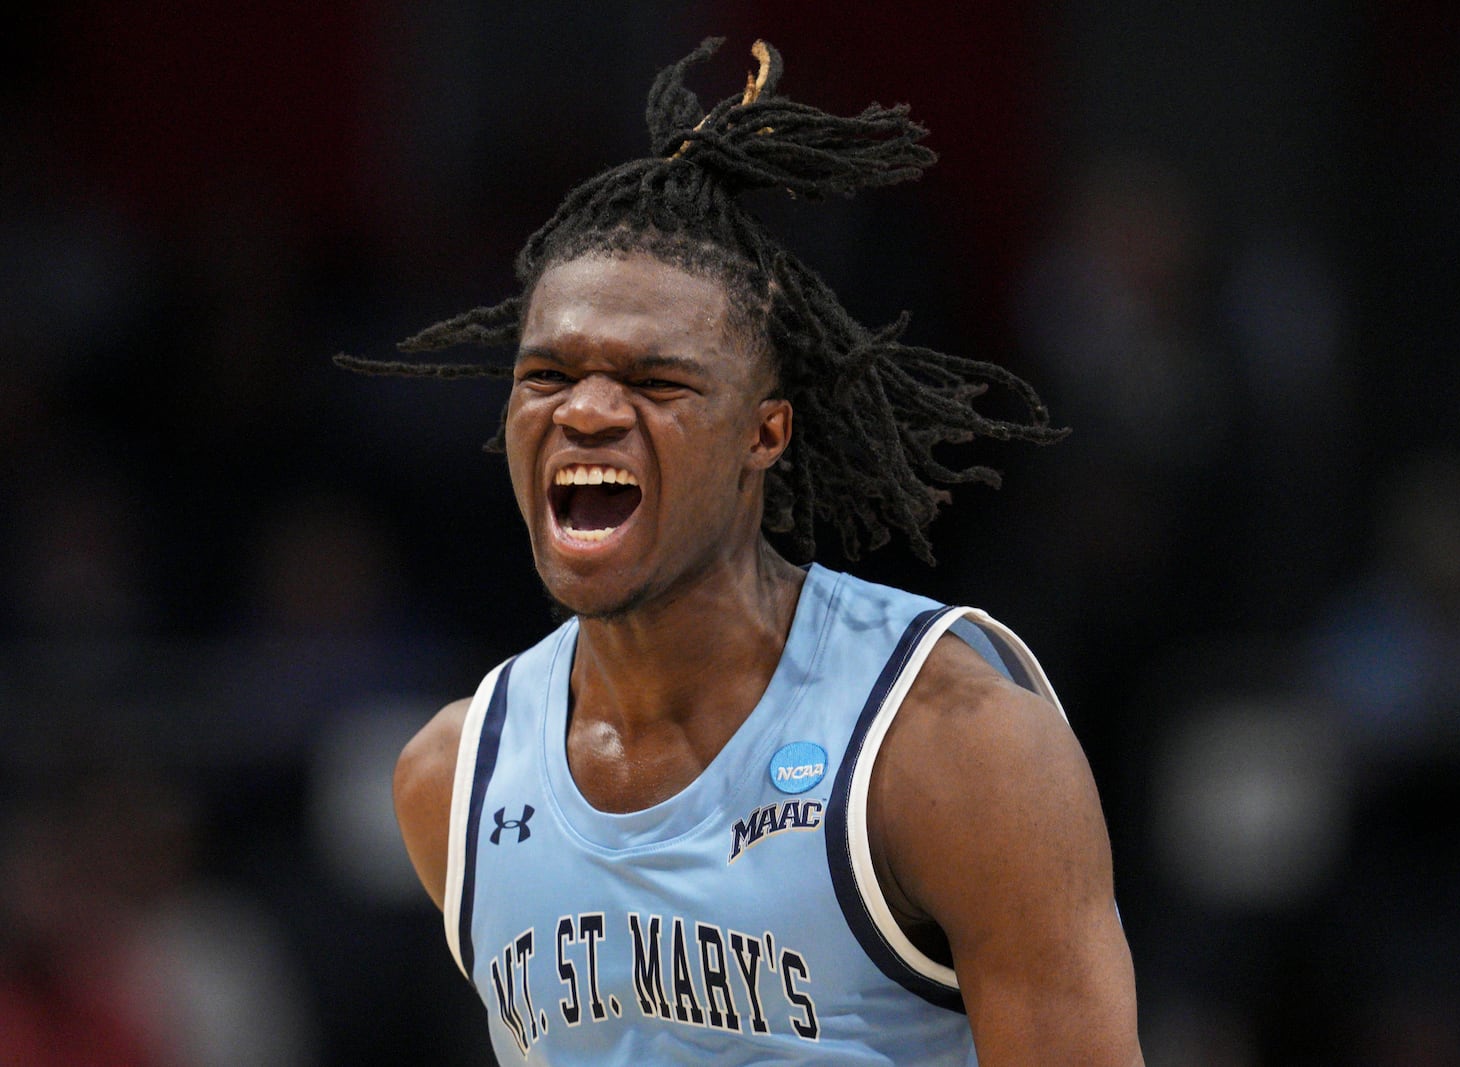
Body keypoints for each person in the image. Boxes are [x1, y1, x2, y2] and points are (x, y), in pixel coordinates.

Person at [341, 37, 1142, 1065]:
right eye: (547, 374)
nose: (587, 408)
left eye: (655, 383)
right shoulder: (452, 777)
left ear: (765, 432)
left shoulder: (952, 741)